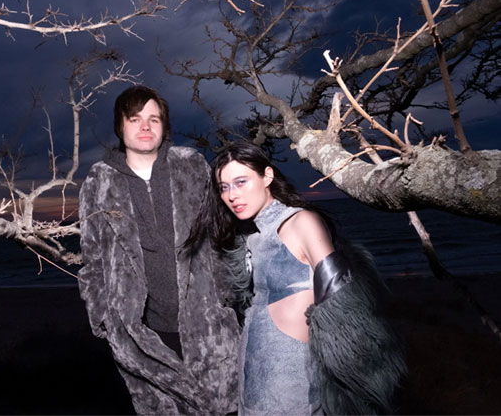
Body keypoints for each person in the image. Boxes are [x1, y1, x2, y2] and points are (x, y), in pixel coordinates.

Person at [187, 142, 406, 415]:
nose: (232, 195)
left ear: (267, 176)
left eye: (241, 182)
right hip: (252, 369)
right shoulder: (252, 237)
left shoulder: (301, 222)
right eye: (224, 187)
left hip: (292, 375)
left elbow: (343, 302)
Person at [76, 85, 240, 415]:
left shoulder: (191, 165)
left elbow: (220, 236)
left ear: (164, 126)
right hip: (141, 332)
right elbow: (92, 257)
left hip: (205, 322)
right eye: (135, 119)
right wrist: (103, 318)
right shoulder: (99, 181)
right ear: (120, 126)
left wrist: (227, 298)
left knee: (223, 407)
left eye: (154, 119)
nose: (145, 126)